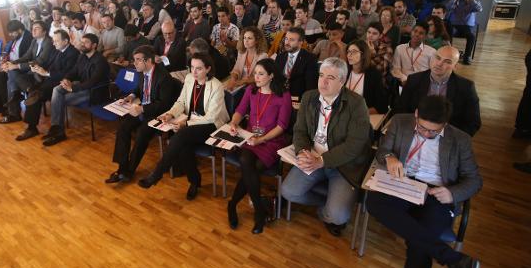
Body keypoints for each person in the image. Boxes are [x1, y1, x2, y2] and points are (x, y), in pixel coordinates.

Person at [367, 95, 482, 268]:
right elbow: (382, 150)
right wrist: (390, 157)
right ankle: (453, 259)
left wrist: (452, 193)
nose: (426, 134)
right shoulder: (399, 122)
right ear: (416, 114)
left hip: (437, 193)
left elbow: (474, 180)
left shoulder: (461, 140)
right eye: (422, 128)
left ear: (445, 124)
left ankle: (452, 259)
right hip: (405, 182)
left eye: (433, 131)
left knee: (418, 246)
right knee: (373, 202)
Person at [281, 58, 371, 237]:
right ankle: (326, 203)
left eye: (330, 77)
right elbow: (299, 131)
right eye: (321, 75)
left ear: (342, 81)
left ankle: (329, 211)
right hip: (313, 156)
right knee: (288, 191)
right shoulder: (309, 97)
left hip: (343, 165)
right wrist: (303, 151)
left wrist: (322, 161)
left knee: (337, 216)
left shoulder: (356, 104)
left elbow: (355, 145)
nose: (323, 81)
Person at [138, 53, 229, 199]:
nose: (194, 72)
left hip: (211, 125)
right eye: (192, 67)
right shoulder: (189, 79)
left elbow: (211, 117)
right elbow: (181, 102)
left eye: (198, 69)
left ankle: (156, 174)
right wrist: (170, 114)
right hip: (190, 123)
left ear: (208, 69)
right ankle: (195, 181)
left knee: (180, 135)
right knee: (182, 144)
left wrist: (184, 123)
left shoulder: (216, 86)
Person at [227, 59, 292, 234]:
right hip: (251, 137)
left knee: (251, 167)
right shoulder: (251, 90)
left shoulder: (283, 95)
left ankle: (233, 204)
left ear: (271, 76)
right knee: (246, 160)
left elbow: (282, 126)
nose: (256, 77)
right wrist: (234, 123)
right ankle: (258, 211)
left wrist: (261, 140)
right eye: (255, 73)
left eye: (261, 74)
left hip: (271, 140)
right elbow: (240, 111)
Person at [106, 45, 182, 183]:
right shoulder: (142, 71)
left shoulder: (164, 77)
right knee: (123, 127)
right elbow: (139, 87)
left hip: (157, 113)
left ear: (148, 61)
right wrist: (132, 95)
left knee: (141, 134)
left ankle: (129, 171)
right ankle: (122, 168)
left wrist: (142, 109)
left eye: (138, 60)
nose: (134, 63)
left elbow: (164, 104)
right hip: (143, 108)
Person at [42, 33, 110, 146]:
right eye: (81, 42)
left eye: (86, 42)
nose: (82, 44)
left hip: (95, 92)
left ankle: (58, 132)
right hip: (82, 87)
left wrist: (72, 88)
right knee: (57, 89)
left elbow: (93, 82)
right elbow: (74, 71)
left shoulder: (100, 61)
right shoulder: (82, 56)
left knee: (59, 100)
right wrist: (66, 79)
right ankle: (57, 129)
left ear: (94, 45)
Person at [395, 45, 481, 136]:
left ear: (455, 66)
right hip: (415, 132)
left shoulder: (466, 87)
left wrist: (452, 138)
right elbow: (401, 109)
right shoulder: (414, 80)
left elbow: (473, 122)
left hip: (447, 136)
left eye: (447, 61)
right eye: (437, 57)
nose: (439, 63)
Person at [15, 29, 79, 141]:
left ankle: (31, 128)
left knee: (36, 95)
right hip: (48, 80)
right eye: (53, 41)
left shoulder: (73, 53)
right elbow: (48, 63)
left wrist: (47, 73)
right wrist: (39, 68)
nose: (53, 43)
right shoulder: (57, 50)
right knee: (26, 83)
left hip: (59, 83)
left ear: (65, 41)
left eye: (56, 41)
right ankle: (27, 95)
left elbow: (68, 74)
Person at [0, 21, 54, 124]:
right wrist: (10, 63)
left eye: (36, 28)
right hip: (31, 71)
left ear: (44, 32)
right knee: (11, 73)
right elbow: (26, 56)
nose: (33, 30)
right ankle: (20, 93)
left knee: (12, 75)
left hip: (42, 74)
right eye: (32, 28)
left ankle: (17, 100)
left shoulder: (48, 42)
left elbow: (40, 61)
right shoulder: (34, 41)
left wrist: (15, 66)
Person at [0, 20, 32, 117]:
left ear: (19, 30)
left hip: (18, 67)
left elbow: (27, 58)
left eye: (12, 32)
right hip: (9, 63)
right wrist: (4, 60)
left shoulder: (28, 38)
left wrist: (10, 64)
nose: (10, 34)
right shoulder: (15, 38)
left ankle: (8, 107)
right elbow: (10, 52)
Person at [345, 40, 388, 114]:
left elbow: (382, 106)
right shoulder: (344, 71)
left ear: (363, 54)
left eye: (354, 52)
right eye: (348, 52)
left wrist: (359, 113)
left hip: (361, 115)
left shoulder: (374, 74)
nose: (349, 55)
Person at [275, 27, 318, 100]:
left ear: (301, 42)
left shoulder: (310, 59)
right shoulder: (280, 57)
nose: (287, 42)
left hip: (298, 100)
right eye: (286, 39)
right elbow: (275, 80)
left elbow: (310, 86)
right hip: (279, 97)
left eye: (291, 40)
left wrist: (304, 102)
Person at [447, 0, 483, 65]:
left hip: (466, 28)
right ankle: (448, 54)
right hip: (454, 26)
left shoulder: (474, 3)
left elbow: (479, 9)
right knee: (447, 29)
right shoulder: (458, 1)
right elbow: (448, 7)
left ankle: (467, 57)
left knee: (471, 36)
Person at [225, 26, 268, 91]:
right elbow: (236, 69)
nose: (246, 41)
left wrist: (243, 81)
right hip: (240, 84)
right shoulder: (241, 52)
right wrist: (233, 79)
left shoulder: (263, 56)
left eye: (249, 38)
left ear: (256, 41)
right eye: (244, 38)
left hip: (254, 86)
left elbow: (259, 77)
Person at [365, 22, 394, 87]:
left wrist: (372, 53)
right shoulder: (361, 46)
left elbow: (380, 71)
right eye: (368, 32)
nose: (370, 35)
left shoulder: (387, 49)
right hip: (362, 78)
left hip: (379, 82)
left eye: (374, 33)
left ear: (380, 35)